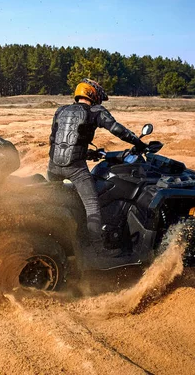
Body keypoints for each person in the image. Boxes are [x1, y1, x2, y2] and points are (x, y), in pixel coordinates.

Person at [48, 78, 147, 256]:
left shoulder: (60, 110)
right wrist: (137, 142)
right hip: (76, 168)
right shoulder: (95, 110)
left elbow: (56, 140)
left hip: (53, 166)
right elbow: (117, 129)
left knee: (54, 202)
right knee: (92, 205)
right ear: (92, 93)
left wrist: (87, 153)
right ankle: (98, 249)